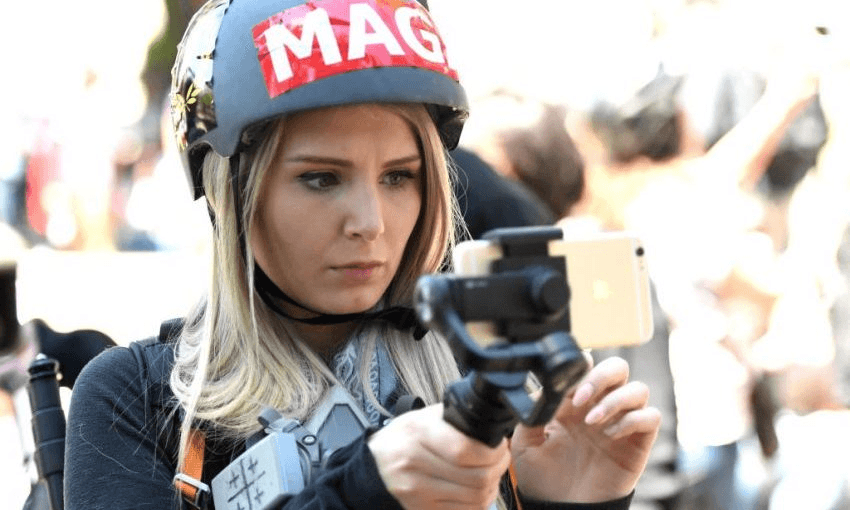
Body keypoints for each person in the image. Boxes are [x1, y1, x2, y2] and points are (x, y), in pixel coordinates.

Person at [64, 1, 661, 509]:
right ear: (233, 193)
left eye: (400, 177)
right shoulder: (136, 398)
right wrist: (362, 492)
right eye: (322, 178)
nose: (371, 224)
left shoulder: (490, 374)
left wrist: (567, 501)